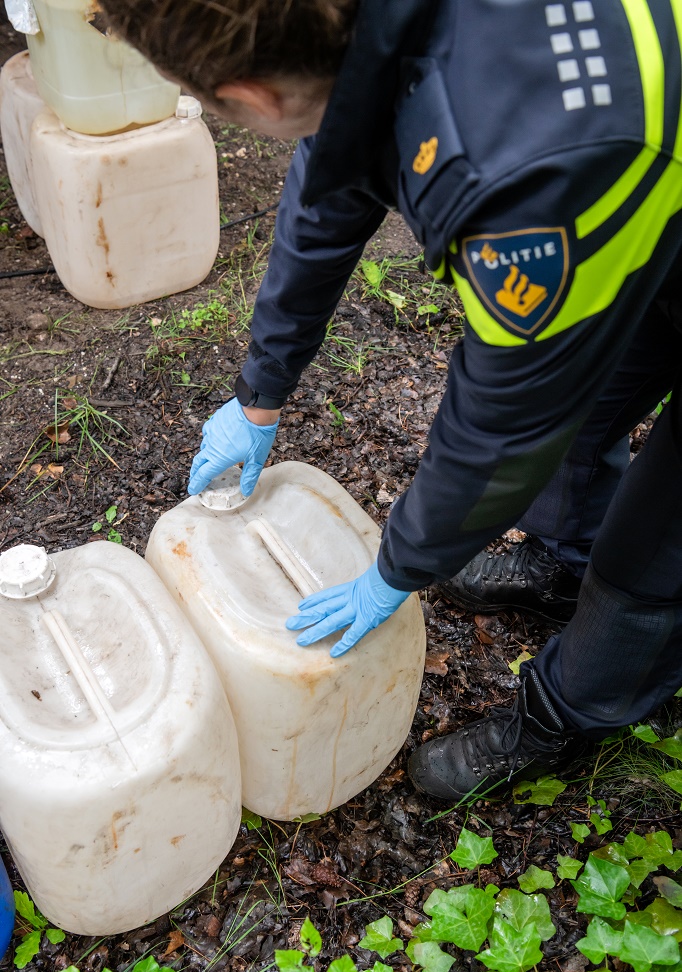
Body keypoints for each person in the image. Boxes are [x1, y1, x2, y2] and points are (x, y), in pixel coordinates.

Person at [100, 0, 682, 804]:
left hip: (615, 169)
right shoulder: (369, 32)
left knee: (657, 549)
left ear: (254, 98)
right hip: (644, 196)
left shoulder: (517, 191)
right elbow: (330, 186)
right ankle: (562, 566)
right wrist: (260, 393)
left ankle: (570, 713)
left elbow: (503, 431)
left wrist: (396, 568)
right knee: (586, 418)